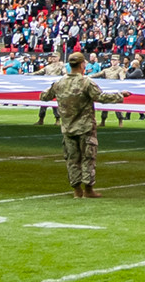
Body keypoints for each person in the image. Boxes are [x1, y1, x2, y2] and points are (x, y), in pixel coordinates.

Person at [43, 59, 106, 199]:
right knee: (88, 157)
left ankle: (77, 190)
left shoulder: (59, 83)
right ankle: (88, 190)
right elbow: (100, 97)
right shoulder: (86, 82)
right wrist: (121, 96)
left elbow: (44, 96)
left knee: (72, 159)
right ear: (82, 65)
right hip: (85, 127)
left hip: (67, 127)